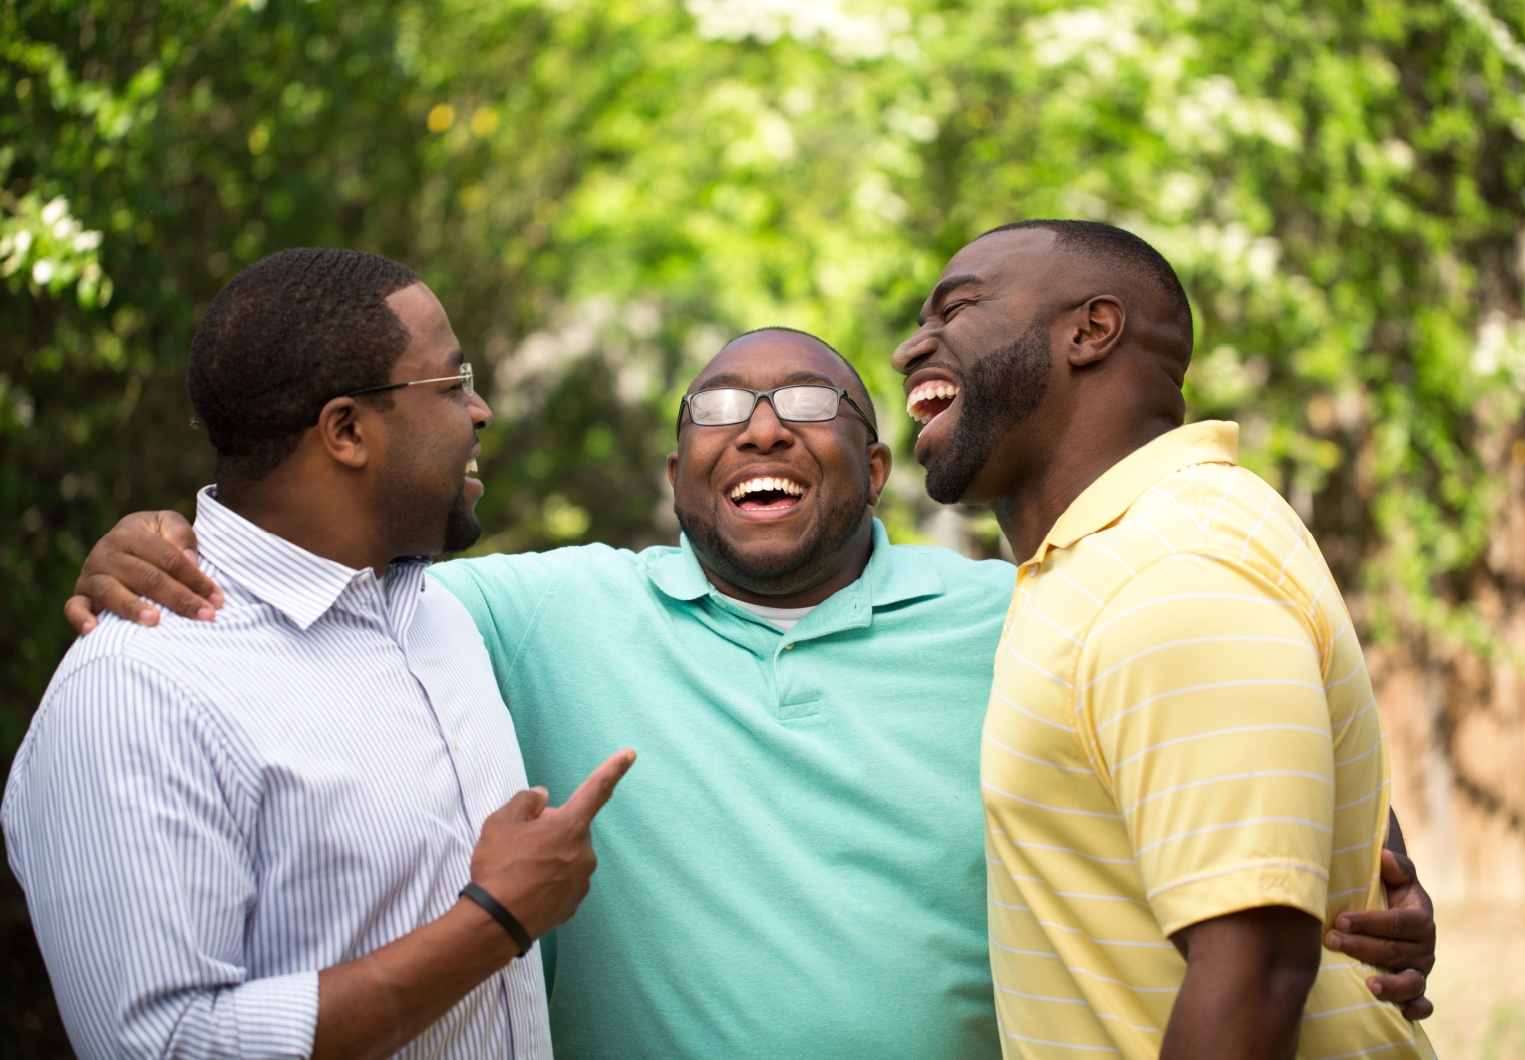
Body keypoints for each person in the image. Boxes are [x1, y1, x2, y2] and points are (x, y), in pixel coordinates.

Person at [62, 325, 1436, 1059]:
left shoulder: (1025, 617)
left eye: (811, 404)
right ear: (676, 483)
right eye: (716, 411)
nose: (761, 426)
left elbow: (1240, 766)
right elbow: (324, 577)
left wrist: (1378, 894)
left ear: (881, 471)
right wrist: (158, 541)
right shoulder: (526, 614)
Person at [4, 248, 634, 1059]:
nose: (480, 411)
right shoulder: (139, 687)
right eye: (452, 384)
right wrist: (497, 919)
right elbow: (165, 1044)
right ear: (345, 430)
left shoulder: (438, 615)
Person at [893, 220, 1435, 1058]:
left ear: (1090, 330)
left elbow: (1255, 975)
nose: (907, 350)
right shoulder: (1111, 559)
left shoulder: (1173, 569)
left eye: (954, 310)